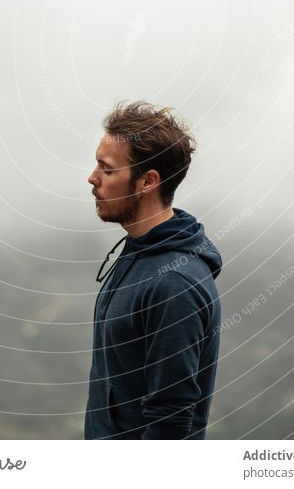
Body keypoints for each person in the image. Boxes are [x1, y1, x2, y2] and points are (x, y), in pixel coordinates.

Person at [84, 100, 222, 440]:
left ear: (148, 181)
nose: (92, 178)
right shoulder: (137, 251)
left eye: (108, 169)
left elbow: (170, 419)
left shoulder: (174, 284)